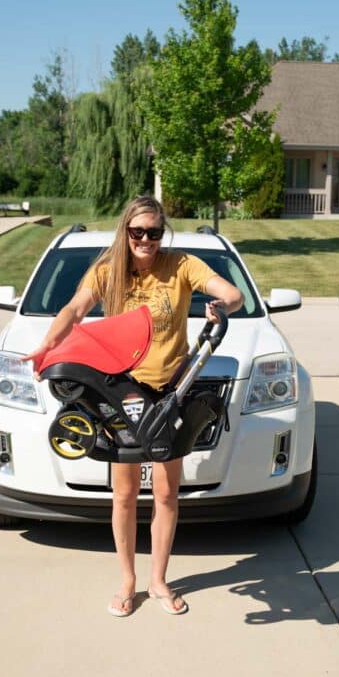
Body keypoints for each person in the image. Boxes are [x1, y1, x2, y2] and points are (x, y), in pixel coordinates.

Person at [24, 196, 243, 617]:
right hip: (120, 393)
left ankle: (158, 580)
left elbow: (229, 293)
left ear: (163, 233)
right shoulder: (107, 270)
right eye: (138, 232)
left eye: (154, 232)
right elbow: (74, 309)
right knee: (123, 494)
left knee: (166, 493)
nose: (145, 240)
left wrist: (222, 307)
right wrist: (45, 348)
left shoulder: (181, 265)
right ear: (126, 231)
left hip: (170, 393)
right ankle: (127, 579)